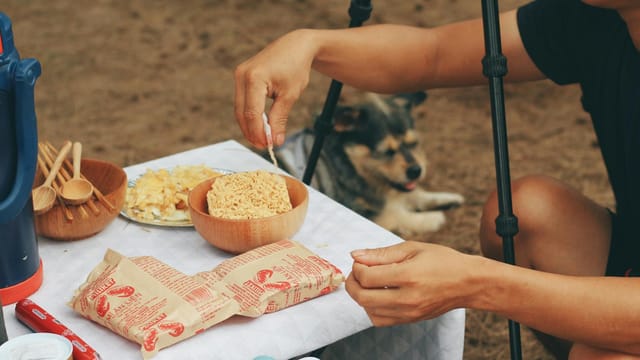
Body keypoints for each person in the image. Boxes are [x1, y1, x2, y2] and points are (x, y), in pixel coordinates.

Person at [233, 0, 640, 358]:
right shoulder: (598, 15)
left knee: (600, 356)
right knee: (525, 212)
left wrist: (477, 284)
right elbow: (434, 54)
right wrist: (310, 44)